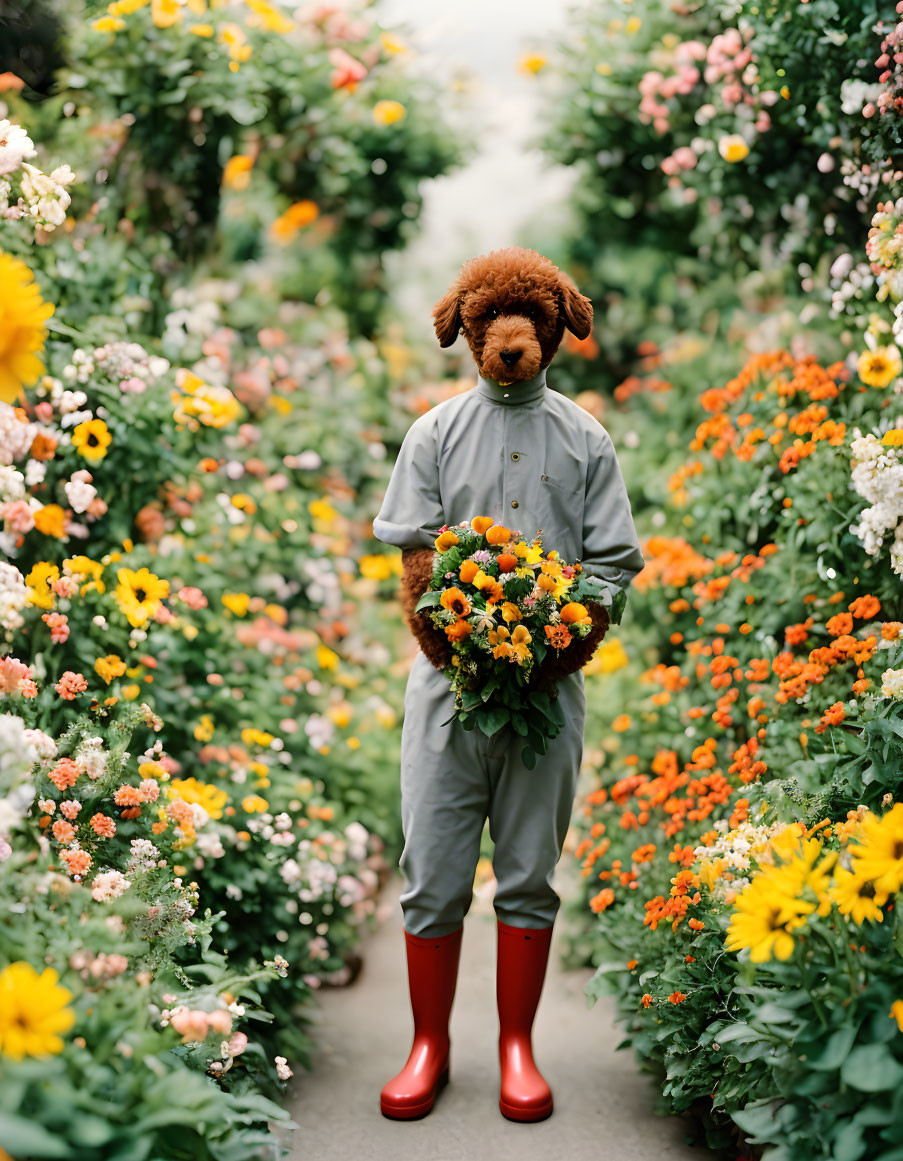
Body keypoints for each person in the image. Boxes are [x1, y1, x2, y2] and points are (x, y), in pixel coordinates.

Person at [371, 247, 646, 1122]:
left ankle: (516, 1048)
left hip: (548, 693)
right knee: (435, 869)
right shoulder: (435, 432)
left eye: (528, 319)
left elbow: (609, 561)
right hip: (446, 692)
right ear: (467, 326)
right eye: (492, 320)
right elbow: (414, 551)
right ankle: (429, 1045)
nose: (510, 337)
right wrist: (448, 638)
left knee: (529, 871)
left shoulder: (585, 438)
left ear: (561, 322)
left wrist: (566, 640)